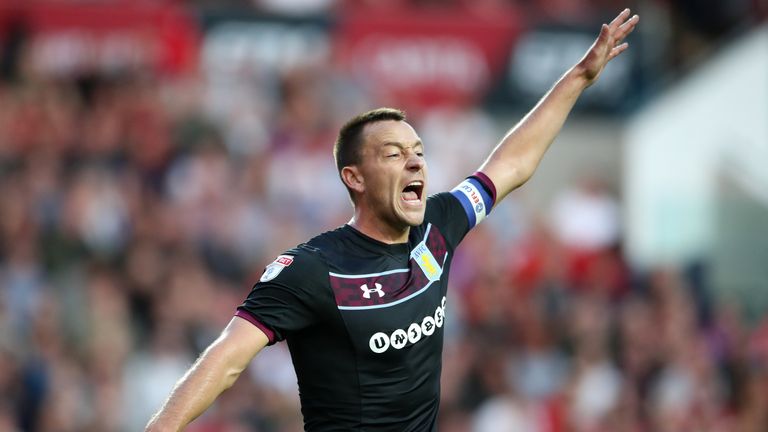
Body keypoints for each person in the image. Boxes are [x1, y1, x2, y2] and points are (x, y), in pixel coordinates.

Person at [146, 9, 639, 431]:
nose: (415, 162)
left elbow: (509, 166)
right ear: (354, 177)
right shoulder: (312, 269)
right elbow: (228, 360)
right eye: (394, 153)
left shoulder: (439, 226)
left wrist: (578, 78)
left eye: (419, 152)